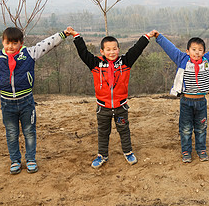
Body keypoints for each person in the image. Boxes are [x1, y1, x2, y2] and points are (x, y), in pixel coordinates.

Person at [0, 27, 69, 174]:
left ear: (21, 43)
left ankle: (30, 159)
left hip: (26, 102)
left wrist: (63, 34)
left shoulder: (29, 54)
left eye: (14, 43)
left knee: (29, 132)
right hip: (6, 103)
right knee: (11, 133)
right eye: (7, 42)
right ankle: (15, 161)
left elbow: (46, 44)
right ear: (2, 42)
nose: (11, 46)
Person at [67, 27, 157, 168]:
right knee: (103, 132)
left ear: (118, 49)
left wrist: (147, 36)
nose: (112, 52)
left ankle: (128, 152)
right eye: (108, 50)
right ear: (102, 52)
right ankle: (102, 155)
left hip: (121, 106)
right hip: (102, 107)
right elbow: (83, 53)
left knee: (124, 130)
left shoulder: (125, 62)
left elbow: (137, 49)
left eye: (114, 49)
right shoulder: (96, 63)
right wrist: (76, 36)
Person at [153, 32, 209, 163]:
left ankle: (201, 150)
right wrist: (159, 37)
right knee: (185, 128)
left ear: (204, 52)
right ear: (188, 51)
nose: (197, 53)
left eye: (200, 50)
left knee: (201, 127)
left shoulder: (208, 59)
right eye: (194, 50)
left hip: (201, 101)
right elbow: (170, 48)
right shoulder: (182, 59)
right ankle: (186, 151)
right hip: (186, 101)